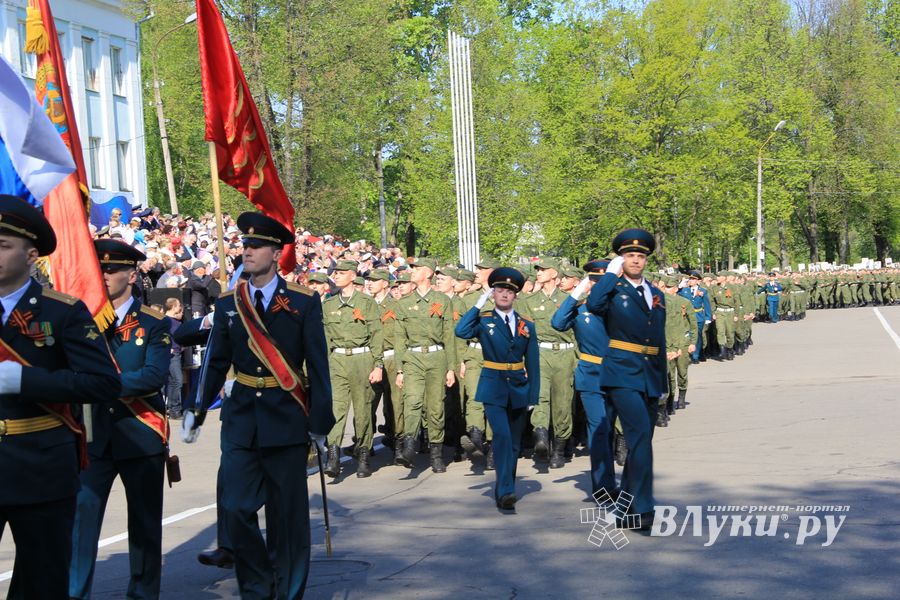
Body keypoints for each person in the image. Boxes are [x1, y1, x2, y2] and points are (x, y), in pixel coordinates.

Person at [182, 212, 334, 599]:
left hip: (286, 415)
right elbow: (216, 359)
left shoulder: (302, 301)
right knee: (234, 509)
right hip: (243, 417)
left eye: (255, 246)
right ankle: (256, 586)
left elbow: (317, 364)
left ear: (275, 252)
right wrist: (197, 409)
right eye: (243, 245)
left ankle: (288, 591)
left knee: (288, 520)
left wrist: (320, 420)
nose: (246, 252)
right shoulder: (230, 302)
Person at [0, 195, 120, 599]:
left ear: (31, 254)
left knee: (41, 581)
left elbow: (102, 383)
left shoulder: (63, 312)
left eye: (3, 245)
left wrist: (26, 382)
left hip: (40, 463)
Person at [70, 239, 171, 600]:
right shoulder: (80, 319)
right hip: (92, 436)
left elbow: (152, 376)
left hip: (139, 431)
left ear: (130, 274)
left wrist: (99, 385)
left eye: (111, 269)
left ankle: (143, 595)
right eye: (99, 268)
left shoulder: (152, 323)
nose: (104, 275)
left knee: (144, 527)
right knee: (80, 525)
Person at [586, 229, 667, 529]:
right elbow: (593, 305)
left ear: (646, 260)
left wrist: (663, 386)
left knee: (642, 440)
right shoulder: (612, 288)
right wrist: (608, 275)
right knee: (640, 437)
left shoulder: (656, 293)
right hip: (620, 371)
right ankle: (644, 507)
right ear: (621, 259)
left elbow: (658, 338)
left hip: (650, 374)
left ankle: (627, 508)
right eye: (629, 255)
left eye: (641, 255)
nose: (635, 259)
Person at [455, 267, 539, 510]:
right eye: (500, 289)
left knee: (513, 443)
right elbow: (460, 331)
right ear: (493, 293)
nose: (504, 294)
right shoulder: (484, 320)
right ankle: (506, 491)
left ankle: (505, 487)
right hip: (493, 385)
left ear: (516, 296)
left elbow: (532, 363)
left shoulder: (527, 325)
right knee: (501, 437)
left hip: (519, 387)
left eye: (510, 291)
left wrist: (533, 395)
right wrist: (478, 304)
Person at [551, 259, 615, 497]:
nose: (597, 287)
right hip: (591, 374)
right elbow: (557, 323)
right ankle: (603, 486)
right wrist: (576, 294)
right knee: (598, 428)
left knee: (618, 430)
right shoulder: (581, 308)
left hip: (619, 375)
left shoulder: (619, 306)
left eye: (601, 283)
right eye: (593, 283)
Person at [393, 257, 458, 473]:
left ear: (429, 273)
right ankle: (410, 446)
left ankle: (436, 453)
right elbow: (399, 338)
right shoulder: (403, 303)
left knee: (436, 407)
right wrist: (400, 369)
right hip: (412, 358)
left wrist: (451, 367)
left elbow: (449, 335)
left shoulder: (442, 300)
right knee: (411, 402)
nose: (413, 272)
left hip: (437, 357)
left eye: (417, 268)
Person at [321, 260, 384, 478]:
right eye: (334, 274)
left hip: (362, 359)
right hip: (337, 360)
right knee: (336, 410)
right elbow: (326, 338)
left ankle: (364, 454)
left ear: (351, 275)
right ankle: (333, 456)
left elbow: (376, 334)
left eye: (340, 273)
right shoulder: (328, 305)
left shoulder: (366, 303)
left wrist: (378, 365)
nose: (335, 276)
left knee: (363, 410)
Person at [519, 257, 577, 468]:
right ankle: (541, 436)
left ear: (554, 273)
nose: (539, 272)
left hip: (564, 354)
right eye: (538, 269)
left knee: (562, 402)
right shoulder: (529, 301)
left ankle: (559, 448)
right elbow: (523, 333)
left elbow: (578, 331)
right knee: (540, 396)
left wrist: (577, 359)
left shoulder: (570, 299)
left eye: (543, 269)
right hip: (539, 354)